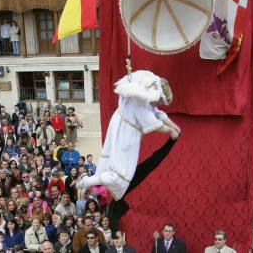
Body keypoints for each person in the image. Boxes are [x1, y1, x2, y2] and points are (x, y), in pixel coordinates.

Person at [77, 71, 181, 233]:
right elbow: (152, 120)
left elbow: (156, 113)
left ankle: (89, 181)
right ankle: (87, 182)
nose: (158, 105)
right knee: (121, 174)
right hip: (126, 134)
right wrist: (170, 131)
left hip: (127, 131)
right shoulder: (138, 100)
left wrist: (172, 124)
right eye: (160, 101)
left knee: (121, 172)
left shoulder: (146, 99)